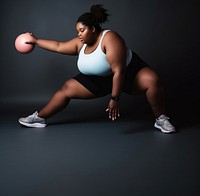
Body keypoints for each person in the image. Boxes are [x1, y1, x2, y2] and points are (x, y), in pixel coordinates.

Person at [18, 4, 176, 133]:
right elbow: (59, 46)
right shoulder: (81, 43)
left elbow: (119, 71)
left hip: (128, 74)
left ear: (93, 29)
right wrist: (36, 41)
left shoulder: (110, 38)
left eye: (82, 30)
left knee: (152, 80)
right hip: (99, 80)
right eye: (77, 31)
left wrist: (115, 99)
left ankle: (161, 119)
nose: (79, 34)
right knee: (66, 88)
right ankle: (39, 118)